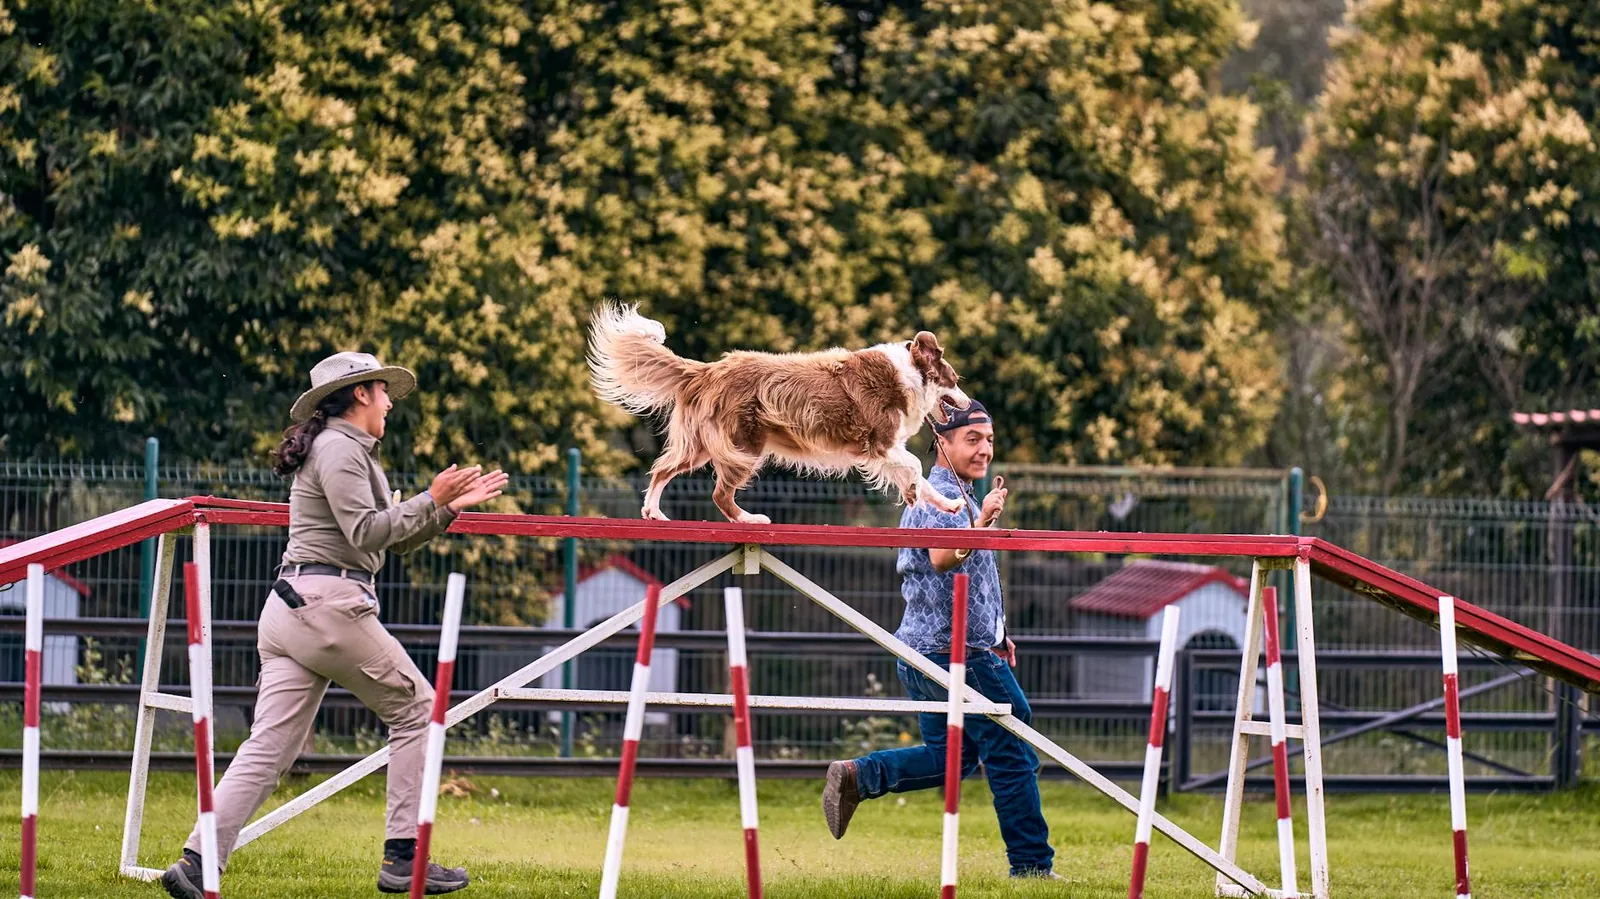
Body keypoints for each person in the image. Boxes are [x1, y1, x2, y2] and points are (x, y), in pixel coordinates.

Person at [161, 352, 509, 898]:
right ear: (362, 394)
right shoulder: (342, 450)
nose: (392, 402)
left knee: (268, 745)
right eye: (385, 391)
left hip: (291, 608)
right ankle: (403, 859)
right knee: (418, 707)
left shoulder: (341, 449)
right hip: (328, 604)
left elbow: (386, 539)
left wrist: (444, 509)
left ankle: (197, 861)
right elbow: (367, 534)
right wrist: (429, 498)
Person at [820, 398, 1059, 879]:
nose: (985, 449)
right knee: (1014, 746)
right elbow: (943, 558)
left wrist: (1000, 633)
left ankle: (858, 776)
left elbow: (979, 576)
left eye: (989, 439)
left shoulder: (958, 496)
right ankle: (1032, 867)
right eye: (973, 439)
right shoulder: (939, 496)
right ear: (942, 444)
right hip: (950, 654)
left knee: (949, 759)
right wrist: (983, 522)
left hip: (932, 651)